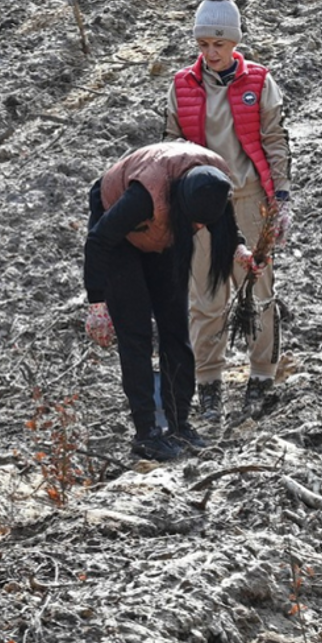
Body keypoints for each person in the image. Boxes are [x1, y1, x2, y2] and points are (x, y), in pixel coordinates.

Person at [163, 0, 293, 423]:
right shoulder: (182, 85)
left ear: (234, 42)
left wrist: (282, 198)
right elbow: (169, 145)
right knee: (205, 297)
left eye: (218, 44)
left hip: (250, 199)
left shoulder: (259, 81)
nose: (210, 52)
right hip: (202, 206)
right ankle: (209, 385)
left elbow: (275, 140)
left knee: (258, 289)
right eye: (203, 44)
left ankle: (261, 376)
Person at [83, 142, 240, 462]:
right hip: (117, 240)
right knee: (136, 333)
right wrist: (96, 304)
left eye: (202, 225)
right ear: (180, 202)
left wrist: (240, 249)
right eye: (195, 223)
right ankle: (147, 434)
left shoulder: (216, 184)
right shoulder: (146, 193)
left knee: (176, 330)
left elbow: (224, 223)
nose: (199, 229)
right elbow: (98, 240)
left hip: (162, 233)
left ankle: (179, 424)